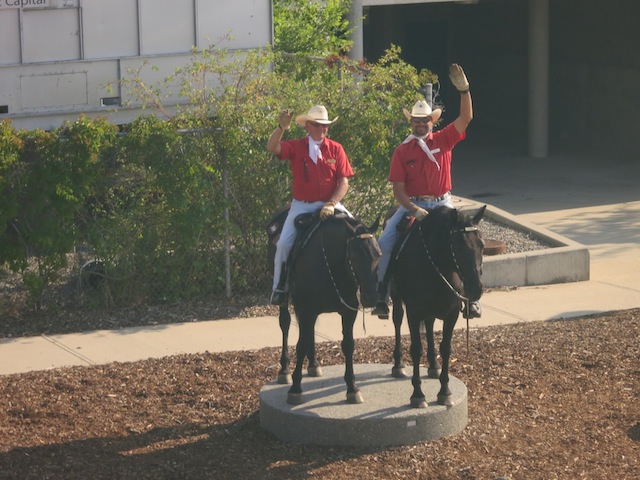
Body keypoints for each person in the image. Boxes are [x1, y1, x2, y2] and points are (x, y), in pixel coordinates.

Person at [371, 63, 481, 319]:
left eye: (425, 121)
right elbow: (398, 191)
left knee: (468, 241)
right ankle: (382, 293)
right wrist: (413, 209)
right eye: (416, 121)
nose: (421, 125)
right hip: (414, 205)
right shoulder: (402, 151)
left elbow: (466, 119)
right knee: (385, 243)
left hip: (444, 203)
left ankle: (470, 298)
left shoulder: (444, 139)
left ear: (432, 121)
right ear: (411, 123)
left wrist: (464, 91)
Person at [266, 105, 354, 306]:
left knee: (361, 234)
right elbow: (272, 147)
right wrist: (281, 128)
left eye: (325, 125)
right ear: (307, 126)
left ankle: (367, 285)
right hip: (302, 206)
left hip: (331, 204)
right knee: (284, 244)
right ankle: (279, 287)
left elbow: (344, 181)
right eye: (317, 125)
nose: (322, 129)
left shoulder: (336, 148)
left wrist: (332, 203)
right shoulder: (296, 146)